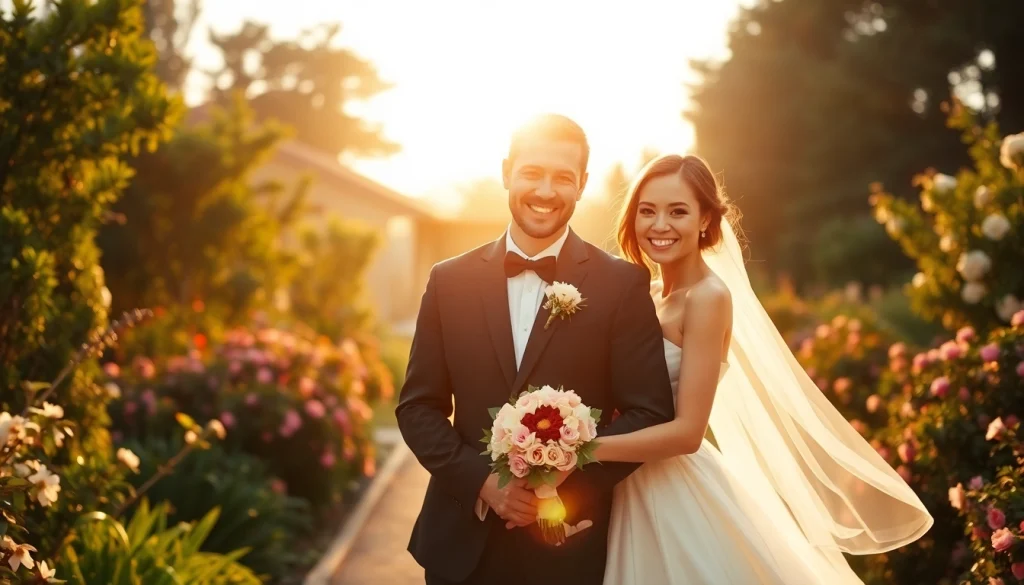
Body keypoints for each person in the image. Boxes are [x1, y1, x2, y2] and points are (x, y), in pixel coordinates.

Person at [574, 153, 934, 584]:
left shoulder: (708, 298)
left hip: (670, 491)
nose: (659, 225)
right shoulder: (646, 293)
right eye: (647, 211)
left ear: (706, 220)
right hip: (623, 483)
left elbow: (688, 433)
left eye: (678, 211)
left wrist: (581, 450)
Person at [395, 114, 676, 585]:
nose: (545, 191)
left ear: (582, 184)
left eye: (563, 177)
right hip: (462, 544)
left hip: (570, 544)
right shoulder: (449, 281)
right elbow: (418, 407)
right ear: (507, 172)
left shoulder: (621, 284)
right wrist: (483, 483)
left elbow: (648, 412)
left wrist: (561, 484)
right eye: (532, 173)